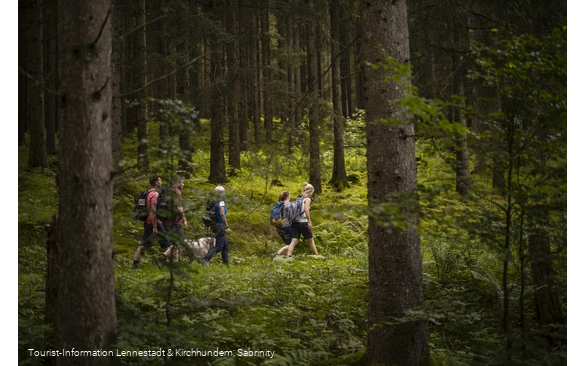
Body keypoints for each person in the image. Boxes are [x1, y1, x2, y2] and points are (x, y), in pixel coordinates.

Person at [132, 175, 175, 269]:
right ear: (156, 182)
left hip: (148, 222)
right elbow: (153, 211)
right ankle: (169, 266)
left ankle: (135, 265)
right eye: (160, 180)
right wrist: (155, 227)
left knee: (143, 245)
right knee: (169, 246)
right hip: (154, 222)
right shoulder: (155, 194)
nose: (161, 182)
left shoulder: (147, 192)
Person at [159, 175, 188, 265]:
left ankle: (173, 263)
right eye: (182, 182)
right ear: (177, 183)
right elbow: (179, 207)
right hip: (175, 221)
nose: (183, 184)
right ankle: (163, 257)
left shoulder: (166, 191)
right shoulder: (177, 192)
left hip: (165, 221)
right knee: (180, 242)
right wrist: (184, 219)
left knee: (174, 244)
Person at [286, 182, 319, 257]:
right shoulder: (307, 199)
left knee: (294, 240)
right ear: (310, 191)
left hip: (295, 222)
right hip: (303, 222)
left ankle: (289, 255)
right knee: (310, 240)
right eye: (312, 192)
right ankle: (317, 256)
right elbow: (306, 209)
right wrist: (309, 222)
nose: (312, 194)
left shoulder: (299, 199)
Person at [200, 186, 231, 265]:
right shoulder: (221, 202)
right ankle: (205, 259)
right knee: (219, 246)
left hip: (214, 224)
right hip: (220, 225)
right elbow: (222, 214)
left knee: (225, 245)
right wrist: (227, 226)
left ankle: (226, 264)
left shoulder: (213, 200)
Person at [271, 190, 292, 258]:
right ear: (288, 196)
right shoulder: (288, 205)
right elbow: (291, 216)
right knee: (292, 244)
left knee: (288, 243)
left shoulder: (278, 205)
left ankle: (287, 257)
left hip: (279, 227)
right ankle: (277, 255)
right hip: (287, 226)